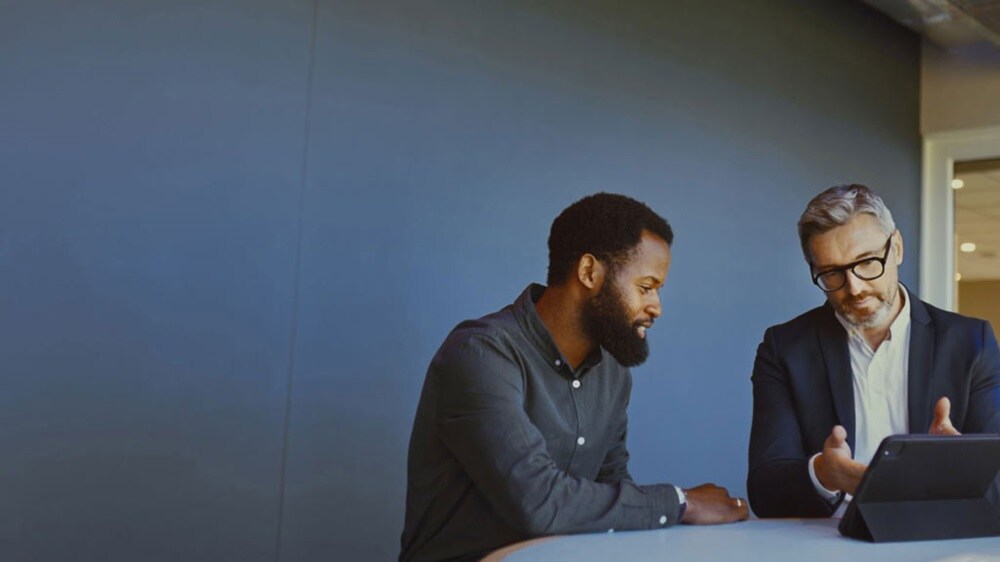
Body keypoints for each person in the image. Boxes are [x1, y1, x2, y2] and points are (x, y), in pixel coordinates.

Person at [400, 193, 748, 562]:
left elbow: (613, 490)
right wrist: (680, 503)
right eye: (646, 287)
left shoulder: (613, 373)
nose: (656, 307)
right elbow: (538, 501)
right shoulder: (481, 354)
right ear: (588, 273)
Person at [747, 183, 1000, 518]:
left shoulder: (972, 342)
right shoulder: (784, 349)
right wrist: (823, 473)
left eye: (866, 262)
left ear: (896, 247)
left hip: (939, 540)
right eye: (832, 272)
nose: (855, 288)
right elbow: (765, 490)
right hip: (828, 544)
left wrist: (961, 463)